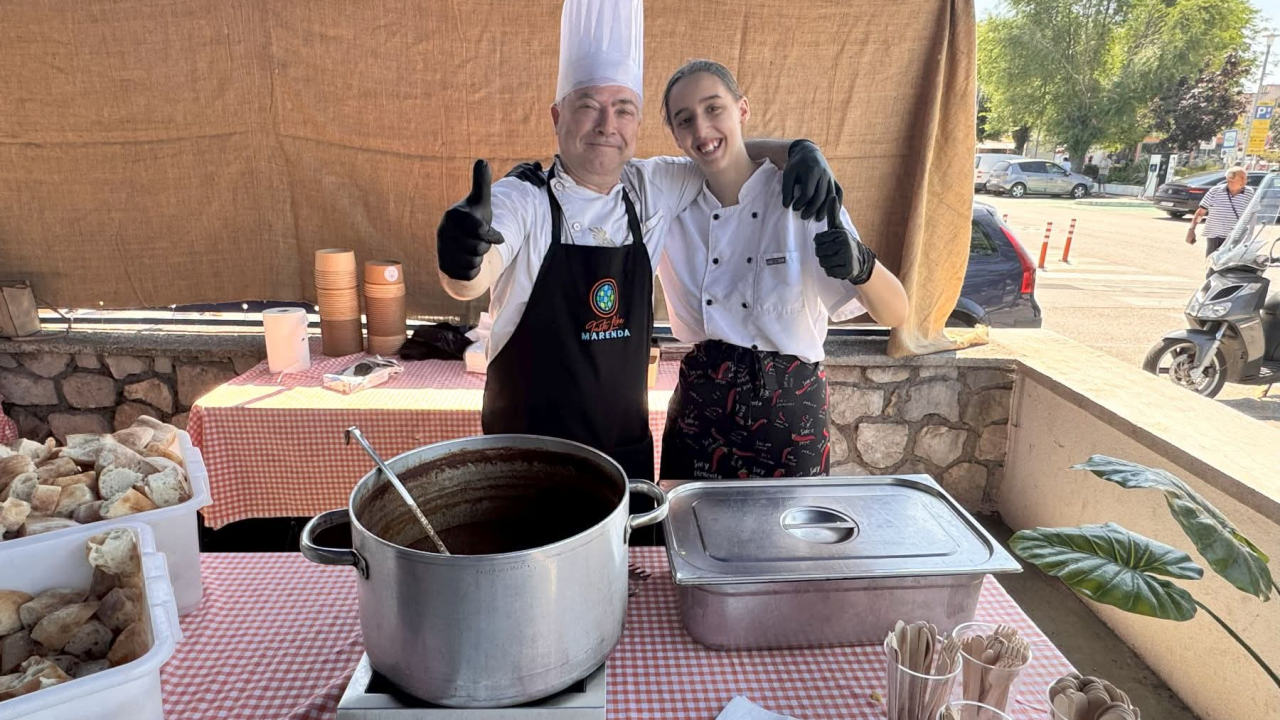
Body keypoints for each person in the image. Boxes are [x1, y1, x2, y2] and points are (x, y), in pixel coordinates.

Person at [434, 0, 842, 483]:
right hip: (525, 459)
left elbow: (718, 149)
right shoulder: (523, 196)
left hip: (620, 460)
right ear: (556, 115)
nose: (608, 125)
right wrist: (461, 261)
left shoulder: (652, 187)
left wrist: (797, 150)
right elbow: (475, 271)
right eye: (588, 106)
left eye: (623, 110)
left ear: (639, 123)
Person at [653, 60, 908, 480]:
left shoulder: (799, 195)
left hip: (790, 414)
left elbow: (897, 314)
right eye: (685, 120)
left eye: (714, 108)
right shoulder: (669, 200)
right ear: (676, 135)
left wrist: (862, 265)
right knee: (690, 538)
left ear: (743, 110)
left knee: (788, 544)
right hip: (701, 407)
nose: (701, 129)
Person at [1187, 166, 1254, 258]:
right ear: (1230, 179)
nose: (1245, 181)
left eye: (1245, 178)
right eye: (1241, 178)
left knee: (1231, 267)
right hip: (1215, 236)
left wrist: (1249, 234)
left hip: (1237, 237)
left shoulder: (1249, 193)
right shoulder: (1214, 192)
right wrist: (1192, 230)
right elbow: (1200, 213)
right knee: (1213, 264)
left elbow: (1253, 215)